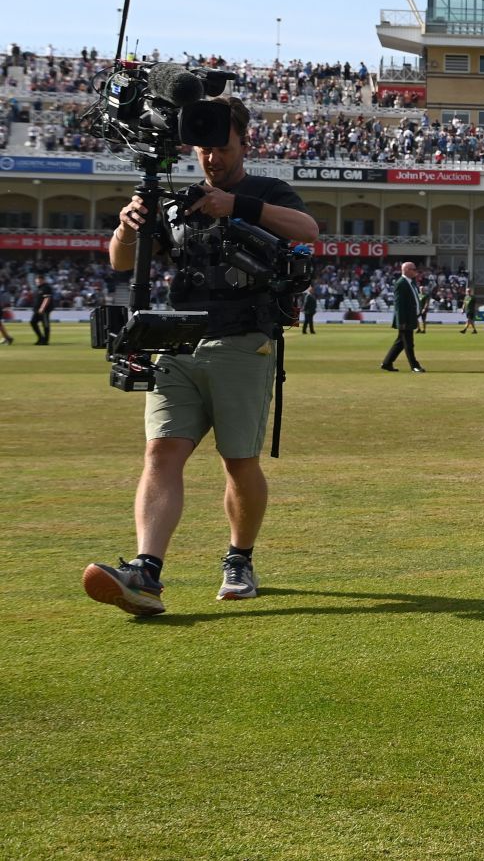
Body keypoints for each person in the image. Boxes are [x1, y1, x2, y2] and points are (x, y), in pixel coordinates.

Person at [82, 95, 318, 616]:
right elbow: (121, 261)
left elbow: (308, 233)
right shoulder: (176, 200)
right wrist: (126, 225)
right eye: (204, 149)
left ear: (243, 143)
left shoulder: (266, 191)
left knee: (238, 461)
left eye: (222, 147)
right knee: (161, 452)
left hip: (243, 340)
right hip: (175, 340)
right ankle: (146, 572)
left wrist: (237, 207)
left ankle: (239, 557)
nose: (212, 158)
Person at [380, 261, 425, 372]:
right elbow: (399, 305)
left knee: (400, 342)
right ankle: (414, 365)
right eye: (413, 269)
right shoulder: (401, 283)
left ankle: (387, 363)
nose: (416, 271)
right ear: (406, 270)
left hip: (411, 317)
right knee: (408, 343)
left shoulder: (411, 282)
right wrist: (401, 321)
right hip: (405, 319)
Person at [29, 274, 53, 344]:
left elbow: (47, 298)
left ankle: (45, 340)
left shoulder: (46, 287)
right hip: (36, 310)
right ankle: (41, 338)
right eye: (37, 282)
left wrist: (42, 308)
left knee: (45, 324)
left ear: (43, 280)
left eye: (39, 282)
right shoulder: (38, 288)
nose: (37, 283)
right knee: (33, 322)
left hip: (44, 310)